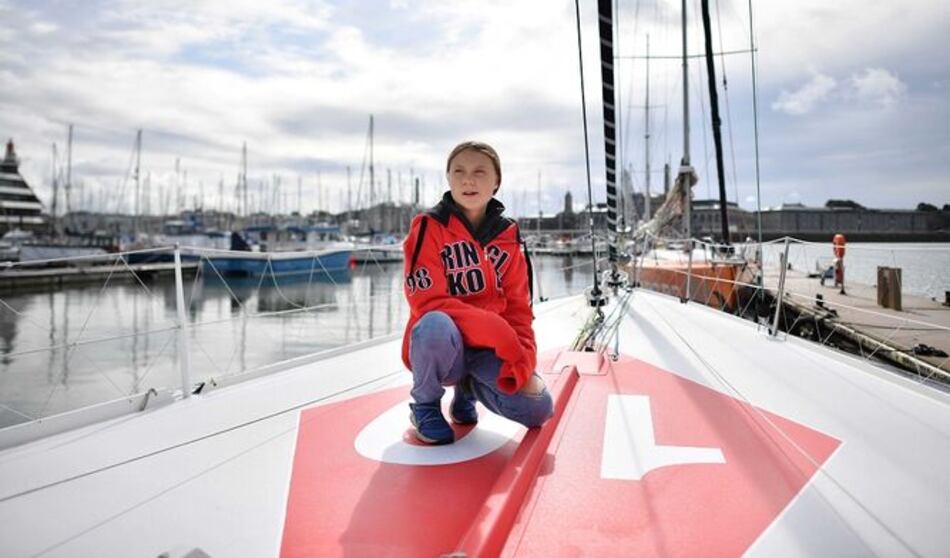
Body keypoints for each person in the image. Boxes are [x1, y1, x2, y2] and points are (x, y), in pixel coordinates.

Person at [400, 140, 553, 445]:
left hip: (488, 351)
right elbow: (427, 301)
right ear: (449, 179)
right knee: (434, 323)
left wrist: (523, 358)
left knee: (539, 408)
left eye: (479, 172)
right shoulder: (429, 227)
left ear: (496, 182)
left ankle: (467, 391)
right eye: (459, 171)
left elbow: (519, 310)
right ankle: (425, 405)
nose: (468, 179)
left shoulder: (508, 236)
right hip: (445, 346)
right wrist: (494, 329)